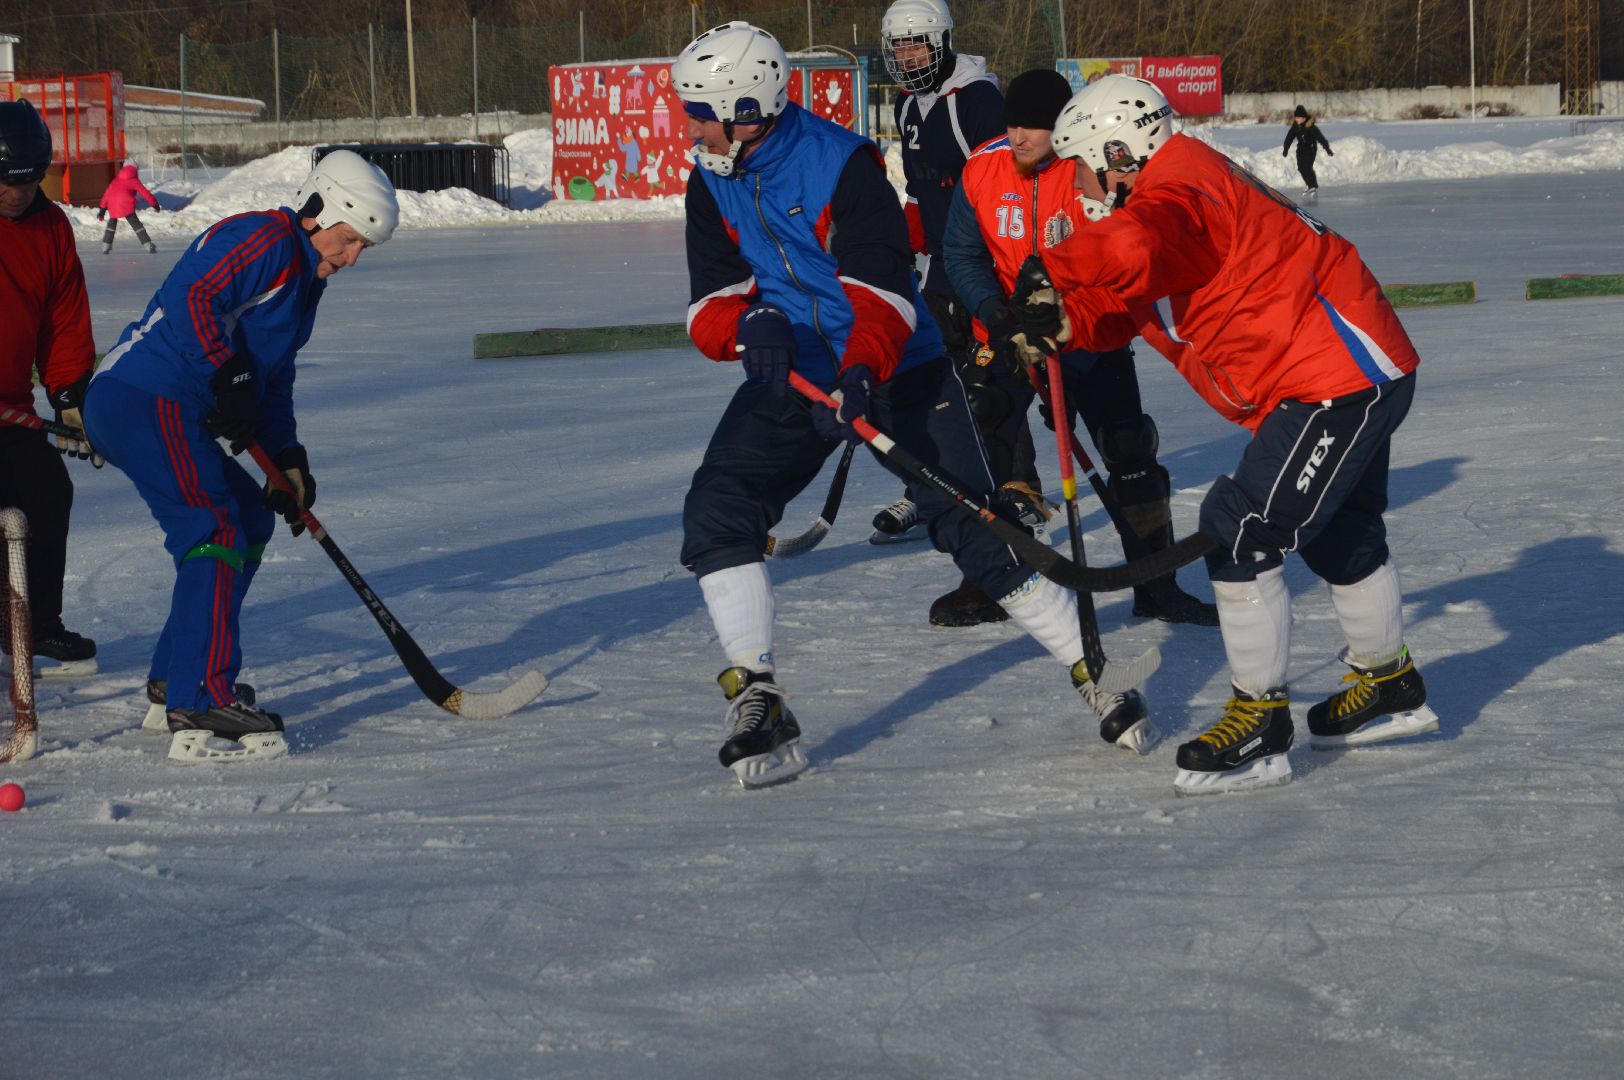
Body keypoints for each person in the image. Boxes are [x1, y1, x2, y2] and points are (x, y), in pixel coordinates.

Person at [673, 22, 1158, 789]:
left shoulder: (844, 166)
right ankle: (758, 691)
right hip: (797, 375)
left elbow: (884, 293)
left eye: (701, 110)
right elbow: (711, 298)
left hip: (897, 366)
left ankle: (1096, 675)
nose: (690, 126)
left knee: (973, 529)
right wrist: (747, 327)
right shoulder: (711, 176)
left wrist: (862, 372)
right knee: (719, 508)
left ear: (747, 104)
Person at [1023, 75, 1437, 795]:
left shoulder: (1179, 189)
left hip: (1335, 376)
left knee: (1240, 527)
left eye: (1088, 166)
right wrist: (1064, 322)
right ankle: (1390, 685)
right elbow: (1133, 301)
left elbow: (1137, 244)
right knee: (1343, 535)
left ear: (1119, 150)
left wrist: (1052, 269)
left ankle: (1262, 724)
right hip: (1340, 369)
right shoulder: (1172, 193)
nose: (1085, 186)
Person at [82, 149, 399, 762]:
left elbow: (270, 381)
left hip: (173, 406)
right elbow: (190, 294)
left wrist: (286, 459)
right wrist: (224, 374)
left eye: (363, 247)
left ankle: (176, 674)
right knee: (212, 525)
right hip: (140, 395)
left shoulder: (305, 284)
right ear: (317, 212)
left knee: (249, 519)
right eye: (349, 238)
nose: (352, 256)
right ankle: (200, 694)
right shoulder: (265, 239)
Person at [943, 68, 1217, 628]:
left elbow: (1122, 255)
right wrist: (996, 316)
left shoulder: (1089, 169)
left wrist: (1070, 321)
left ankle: (1156, 582)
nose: (1019, 137)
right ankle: (995, 579)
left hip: (1086, 329)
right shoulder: (982, 169)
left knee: (1129, 446)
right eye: (1013, 124)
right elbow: (962, 256)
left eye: (1035, 128)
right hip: (1004, 334)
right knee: (988, 439)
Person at [879, 0, 1056, 627]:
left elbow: (1002, 187)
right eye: (899, 49)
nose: (908, 60)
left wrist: (986, 271)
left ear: (944, 43)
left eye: (918, 47)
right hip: (944, 266)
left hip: (984, 269)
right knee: (941, 388)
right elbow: (925, 190)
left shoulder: (976, 100)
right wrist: (899, 238)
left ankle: (1014, 496)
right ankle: (938, 483)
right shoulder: (907, 104)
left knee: (983, 393)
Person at [0, 99, 100, 677]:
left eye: (31, 180)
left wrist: (68, 396)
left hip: (10, 408)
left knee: (47, 493)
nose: (18, 194)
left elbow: (63, 320)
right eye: (7, 183)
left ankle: (34, 626)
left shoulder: (49, 225)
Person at [97, 162, 160, 254]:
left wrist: (102, 209)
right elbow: (145, 193)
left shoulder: (116, 180)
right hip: (126, 204)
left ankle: (105, 247)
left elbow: (107, 194)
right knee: (136, 225)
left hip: (112, 204)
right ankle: (148, 245)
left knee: (111, 224)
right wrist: (155, 204)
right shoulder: (134, 180)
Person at [1283, 104, 1333, 196]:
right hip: (1301, 148)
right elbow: (1289, 137)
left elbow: (1320, 138)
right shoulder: (1295, 126)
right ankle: (1310, 184)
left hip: (1311, 148)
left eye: (1298, 117)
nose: (1297, 119)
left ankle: (1312, 186)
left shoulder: (1310, 126)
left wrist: (1327, 149)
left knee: (1307, 167)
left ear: (1303, 118)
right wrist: (1286, 149)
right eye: (1296, 117)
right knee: (1300, 167)